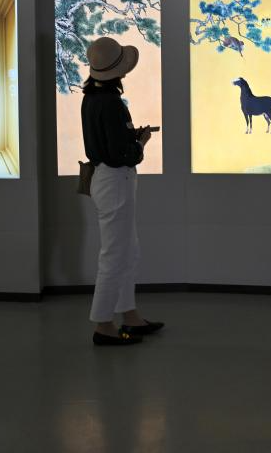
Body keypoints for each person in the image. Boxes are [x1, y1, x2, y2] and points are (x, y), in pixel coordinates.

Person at [81, 36, 164, 346]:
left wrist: (131, 139)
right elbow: (121, 155)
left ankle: (129, 315)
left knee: (127, 250)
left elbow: (108, 144)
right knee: (115, 254)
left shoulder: (90, 98)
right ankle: (103, 325)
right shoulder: (113, 103)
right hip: (116, 180)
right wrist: (140, 143)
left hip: (107, 180)